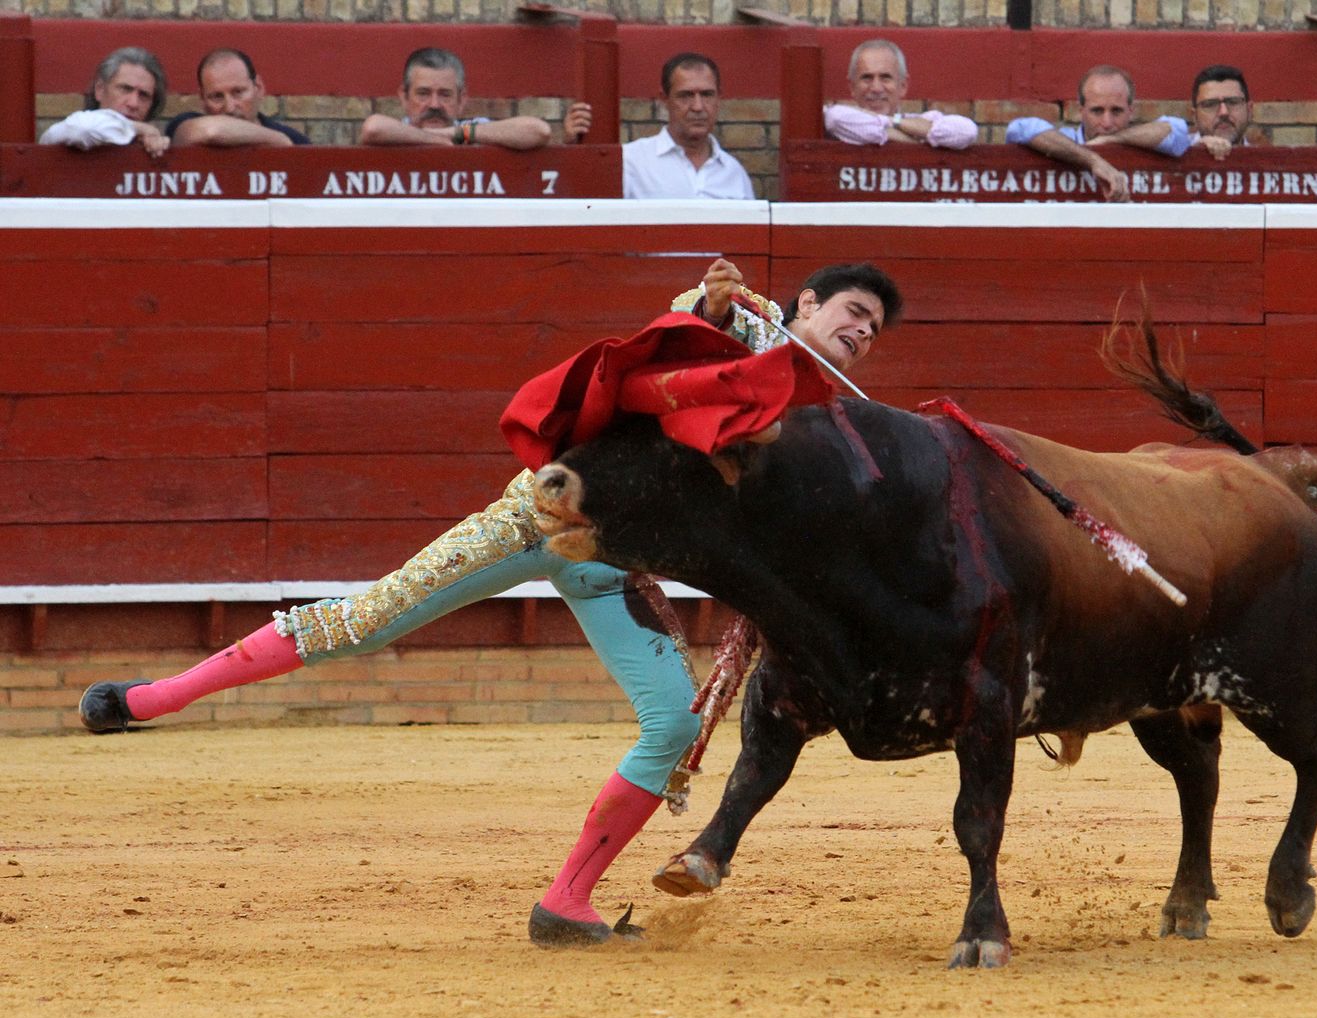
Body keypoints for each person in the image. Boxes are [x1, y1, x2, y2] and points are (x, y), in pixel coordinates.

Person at [78, 257, 903, 948]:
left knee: (673, 723)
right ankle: (151, 699)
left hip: (615, 560)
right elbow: (674, 335)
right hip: (545, 515)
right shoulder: (745, 327)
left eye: (874, 329)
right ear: (807, 303)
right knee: (366, 620)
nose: (862, 332)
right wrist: (713, 305)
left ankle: (566, 902)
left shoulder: (822, 415)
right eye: (854, 311)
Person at [1005, 66, 1191, 201]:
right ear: (1081, 111)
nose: (1107, 123)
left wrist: (1111, 139)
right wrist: (1093, 160)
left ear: (1130, 111)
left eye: (1116, 111)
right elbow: (1019, 129)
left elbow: (1178, 130)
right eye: (1097, 111)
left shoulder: (1142, 141)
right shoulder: (1067, 141)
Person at [359, 46, 590, 149]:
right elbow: (373, 128)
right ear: (403, 97)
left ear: (462, 100)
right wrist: (438, 140)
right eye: (423, 93)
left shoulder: (474, 130)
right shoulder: (395, 132)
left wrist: (456, 135)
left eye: (445, 94)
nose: (434, 104)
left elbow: (538, 131)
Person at [623, 53, 753, 200]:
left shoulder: (734, 174)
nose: (698, 107)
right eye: (686, 95)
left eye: (707, 95)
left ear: (718, 98)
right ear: (665, 99)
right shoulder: (632, 163)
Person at [823, 39, 978, 151]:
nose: (876, 88)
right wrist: (915, 140)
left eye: (885, 78)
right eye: (867, 78)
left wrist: (894, 122)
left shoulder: (918, 119)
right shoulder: (844, 121)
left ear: (903, 86)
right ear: (852, 87)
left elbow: (967, 132)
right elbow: (834, 117)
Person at [39, 46, 170, 159]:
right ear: (100, 90)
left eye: (144, 95)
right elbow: (84, 129)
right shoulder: (67, 130)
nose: (133, 103)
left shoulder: (152, 145)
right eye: (125, 89)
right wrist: (136, 128)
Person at [164, 48, 309, 147]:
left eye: (238, 92)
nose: (229, 107)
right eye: (217, 97)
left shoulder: (296, 140)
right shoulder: (186, 124)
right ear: (202, 99)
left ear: (258, 87)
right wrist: (278, 139)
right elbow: (211, 131)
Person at [1188, 64, 1255, 160]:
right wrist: (1194, 153)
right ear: (1194, 116)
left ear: (1249, 110)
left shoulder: (1265, 164)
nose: (1223, 112)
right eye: (1210, 104)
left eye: (1233, 102)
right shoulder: (1174, 156)